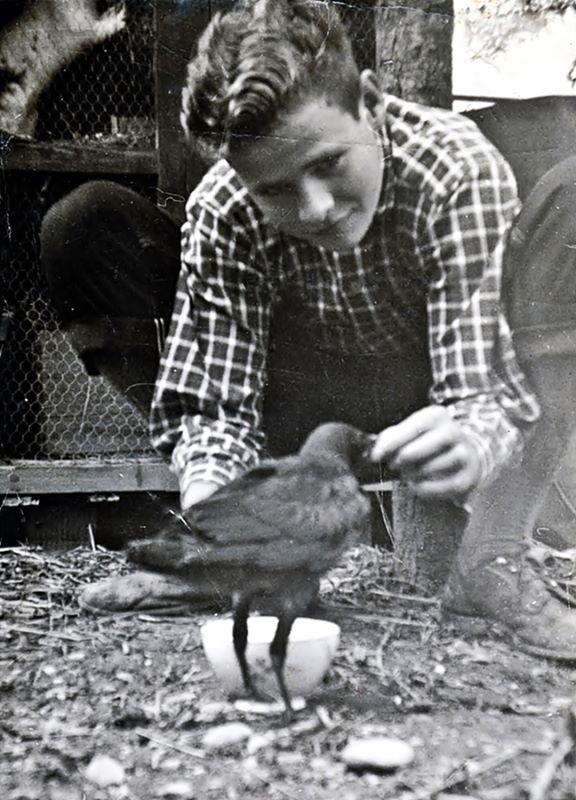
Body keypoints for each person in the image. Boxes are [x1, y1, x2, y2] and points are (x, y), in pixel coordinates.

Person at [41, 0, 576, 657]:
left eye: (329, 163)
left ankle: (492, 559)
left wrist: (470, 439)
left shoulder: (455, 167)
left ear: (372, 104)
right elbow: (213, 408)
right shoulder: (225, 206)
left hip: (428, 388)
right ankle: (240, 559)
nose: (316, 208)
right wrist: (228, 530)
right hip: (294, 405)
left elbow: (484, 387)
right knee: (83, 223)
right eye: (276, 190)